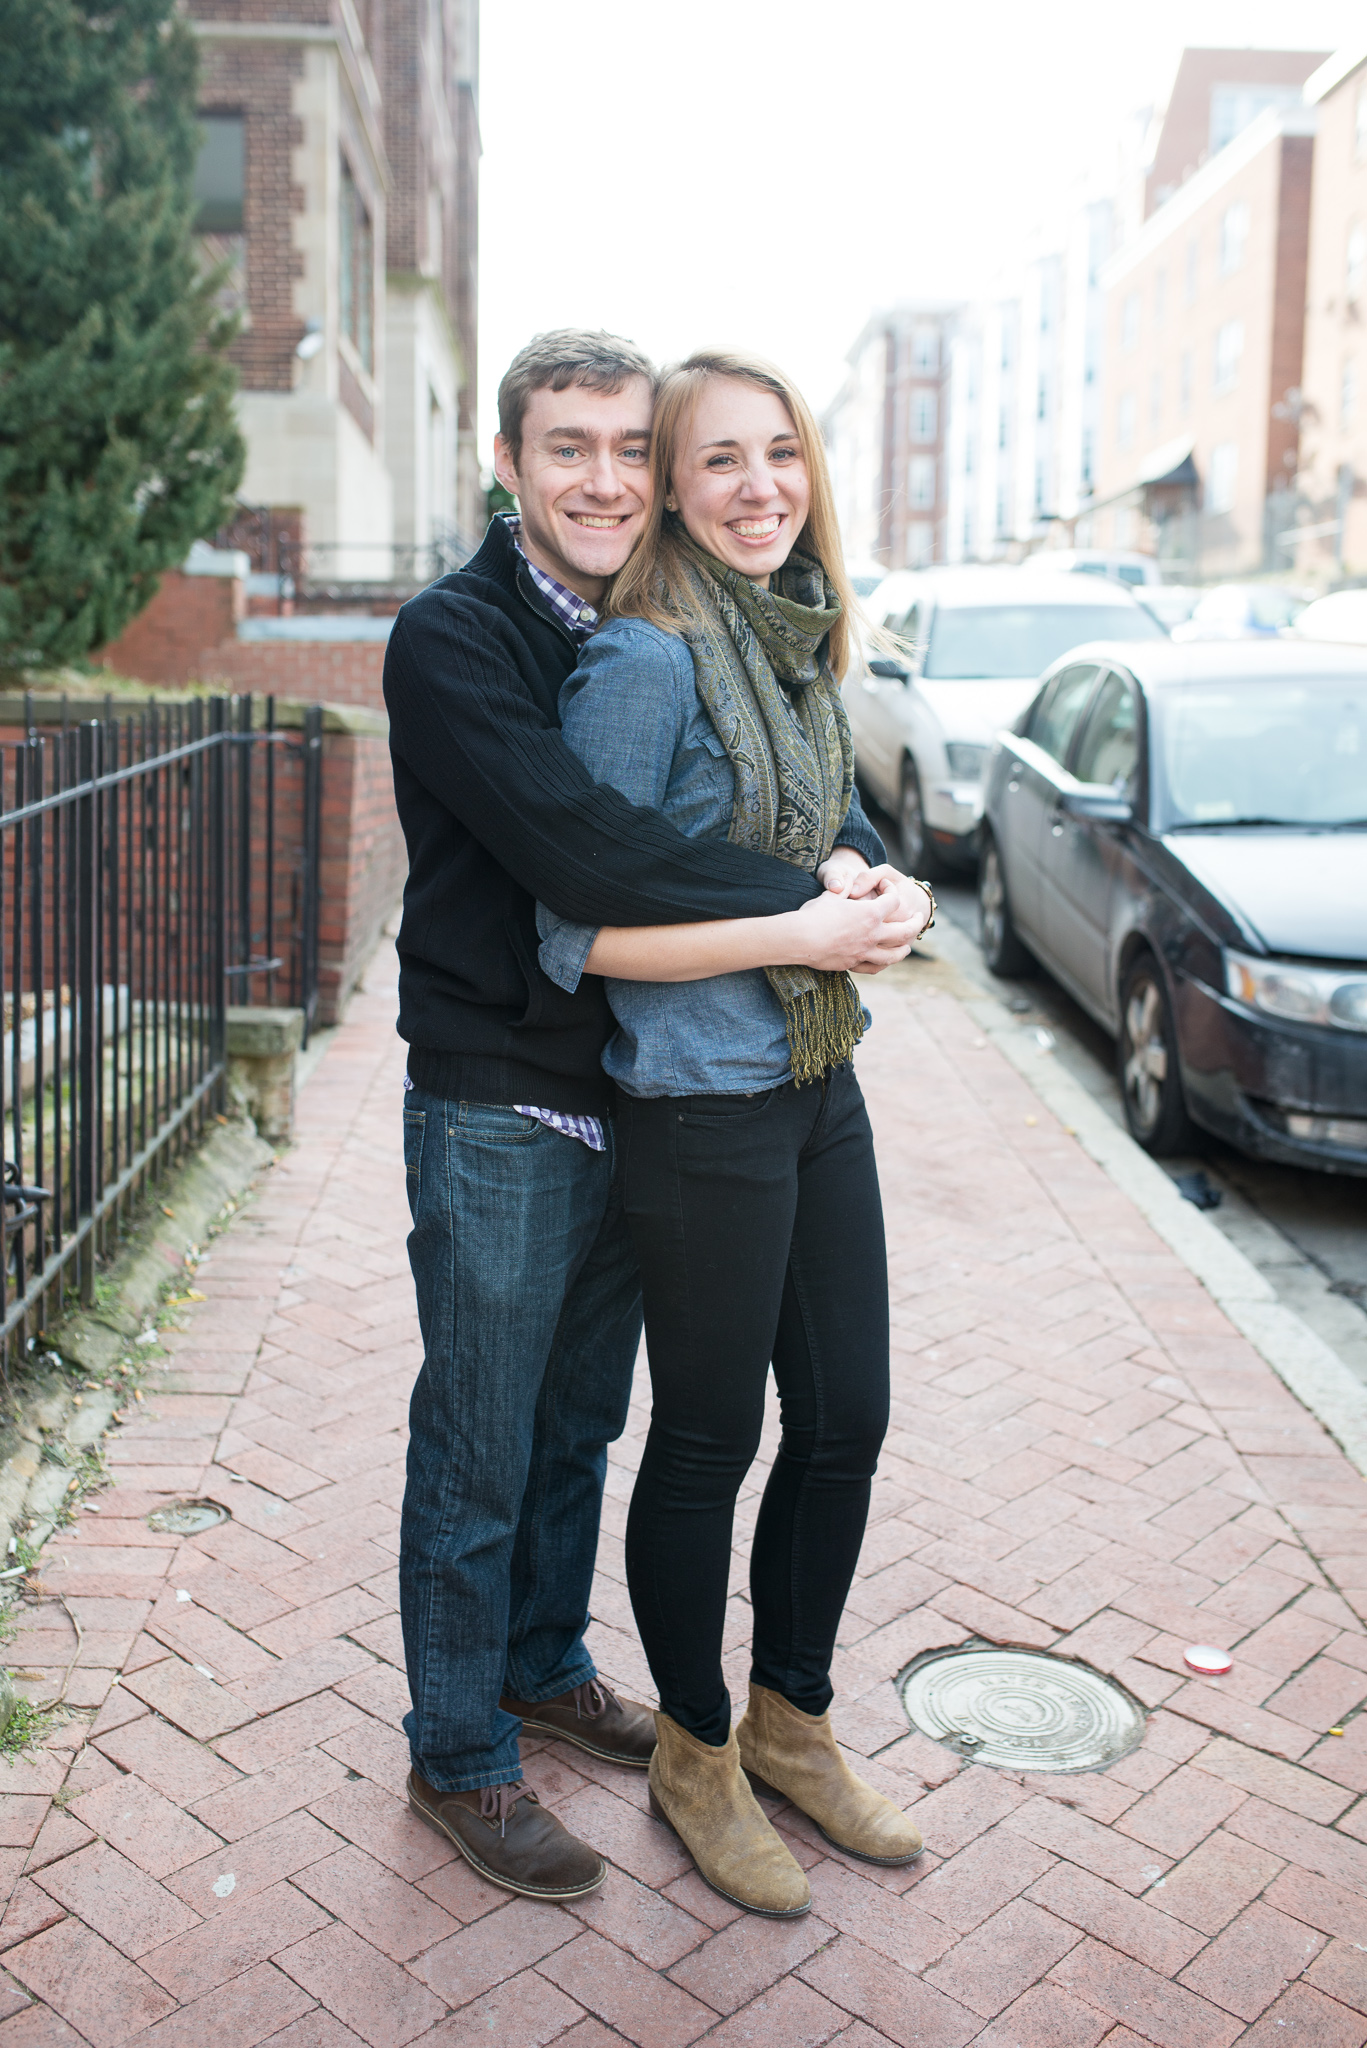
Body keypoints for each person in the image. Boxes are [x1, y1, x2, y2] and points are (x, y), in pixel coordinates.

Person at [382, 330, 912, 1905]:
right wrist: (808, 908)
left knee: (579, 1420)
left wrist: (859, 865)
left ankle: (545, 1662)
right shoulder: (459, 638)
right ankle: (460, 1749)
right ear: (509, 465)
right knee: (481, 1435)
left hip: (623, 1078)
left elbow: (778, 782)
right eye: (570, 450)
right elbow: (588, 853)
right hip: (501, 1091)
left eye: (628, 447)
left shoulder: (645, 613)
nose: (604, 478)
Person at [536, 349, 934, 1918]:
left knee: (848, 1417)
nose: (760, 485)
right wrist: (799, 932)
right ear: (676, 492)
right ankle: (693, 1751)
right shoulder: (643, 662)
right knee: (709, 1439)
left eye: (783, 454)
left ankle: (794, 1723)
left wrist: (875, 887)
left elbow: (814, 833)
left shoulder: (790, 646)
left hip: (815, 1081)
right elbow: (581, 930)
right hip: (696, 1108)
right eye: (720, 460)